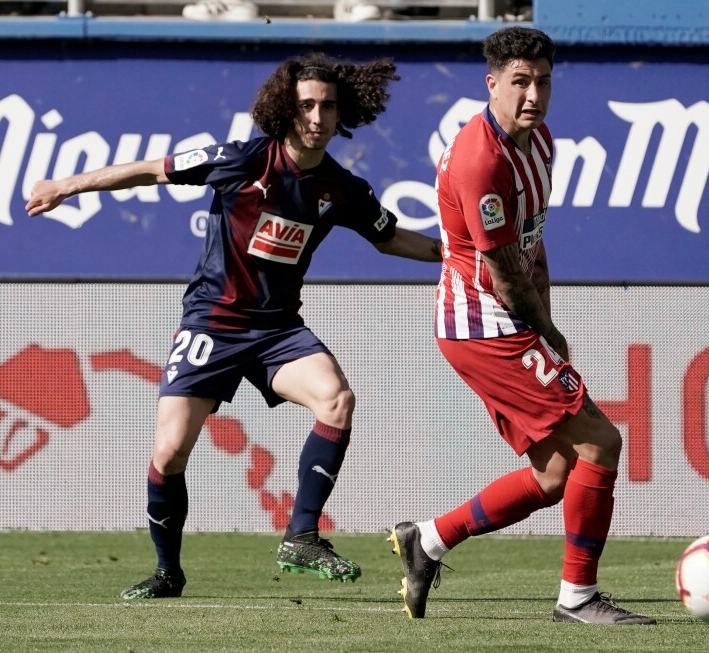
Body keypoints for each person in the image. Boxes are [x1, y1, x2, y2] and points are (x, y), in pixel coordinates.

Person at [26, 52, 442, 599]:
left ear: (343, 114)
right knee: (170, 452)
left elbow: (390, 238)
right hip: (213, 323)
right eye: (306, 106)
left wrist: (457, 253)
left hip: (276, 332)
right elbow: (152, 169)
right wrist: (67, 184)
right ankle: (167, 572)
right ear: (284, 111)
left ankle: (302, 535)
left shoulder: (343, 189)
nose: (317, 117)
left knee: (336, 399)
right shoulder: (240, 160)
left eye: (328, 107)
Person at [388, 26, 656, 625]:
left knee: (555, 473)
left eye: (543, 81)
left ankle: (427, 541)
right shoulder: (480, 159)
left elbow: (533, 245)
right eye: (520, 82)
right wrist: (548, 333)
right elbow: (506, 275)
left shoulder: (539, 144)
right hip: (483, 326)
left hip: (506, 322)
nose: (533, 94)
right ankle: (577, 599)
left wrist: (548, 319)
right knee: (602, 442)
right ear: (492, 84)